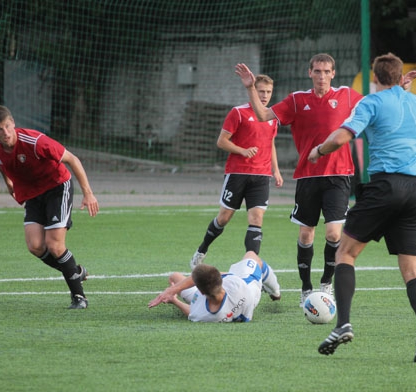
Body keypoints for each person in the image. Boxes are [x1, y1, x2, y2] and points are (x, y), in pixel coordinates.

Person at [307, 53, 416, 362]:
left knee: (345, 253)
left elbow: (342, 137)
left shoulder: (370, 103)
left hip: (384, 186)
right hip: (415, 189)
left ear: (374, 77)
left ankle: (343, 324)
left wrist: (319, 150)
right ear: (400, 76)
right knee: (412, 269)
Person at [235, 54, 362, 306]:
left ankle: (326, 283)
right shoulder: (296, 100)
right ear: (309, 73)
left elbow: (375, 104)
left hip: (338, 175)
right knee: (306, 235)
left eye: (326, 71)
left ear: (333, 74)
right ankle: (306, 287)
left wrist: (400, 89)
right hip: (308, 176)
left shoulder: (347, 96)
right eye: (317, 71)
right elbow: (263, 115)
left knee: (334, 234)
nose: (322, 76)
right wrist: (250, 88)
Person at [0, 105, 99, 309]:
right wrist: (9, 182)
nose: (6, 132)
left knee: (54, 245)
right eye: (0, 129)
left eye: (8, 126)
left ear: (13, 123)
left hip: (57, 187)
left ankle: (79, 298)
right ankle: (75, 272)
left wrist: (88, 193)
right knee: (35, 246)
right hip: (33, 193)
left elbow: (72, 159)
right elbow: (0, 163)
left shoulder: (35, 141)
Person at [190, 74, 283, 270]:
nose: (265, 96)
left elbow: (271, 144)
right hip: (237, 173)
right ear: (253, 91)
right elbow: (221, 141)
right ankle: (202, 249)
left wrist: (276, 170)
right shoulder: (238, 113)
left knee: (256, 219)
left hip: (261, 175)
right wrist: (242, 150)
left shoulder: (272, 117)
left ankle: (251, 266)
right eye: (261, 91)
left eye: (268, 92)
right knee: (224, 218)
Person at [148, 251, 281, 322]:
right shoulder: (237, 284)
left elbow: (192, 312)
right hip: (250, 292)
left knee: (174, 277)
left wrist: (174, 300)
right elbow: (225, 275)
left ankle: (274, 290)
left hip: (220, 299)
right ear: (221, 280)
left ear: (200, 291)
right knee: (251, 255)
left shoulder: (204, 314)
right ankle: (275, 291)